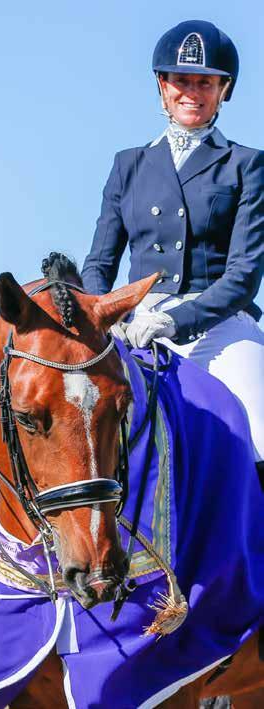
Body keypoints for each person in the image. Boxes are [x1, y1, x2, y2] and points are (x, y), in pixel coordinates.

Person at [81, 20, 264, 473]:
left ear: (224, 90)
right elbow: (100, 262)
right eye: (182, 80)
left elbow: (243, 275)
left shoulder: (246, 165)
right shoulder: (129, 165)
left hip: (219, 326)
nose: (192, 92)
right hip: (133, 324)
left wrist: (174, 321)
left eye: (206, 82)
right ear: (162, 86)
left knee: (261, 429)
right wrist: (106, 315)